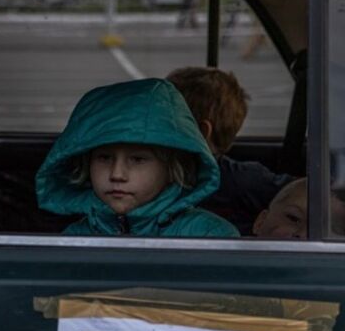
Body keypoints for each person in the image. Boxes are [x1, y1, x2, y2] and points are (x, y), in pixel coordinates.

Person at [35, 78, 238, 237]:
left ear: (172, 169)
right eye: (104, 158)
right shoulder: (74, 238)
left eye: (138, 159)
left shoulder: (210, 237)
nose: (117, 174)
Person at [166, 66, 294, 234]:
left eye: (165, 121)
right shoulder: (155, 174)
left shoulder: (244, 180)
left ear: (201, 131)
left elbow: (305, 193)